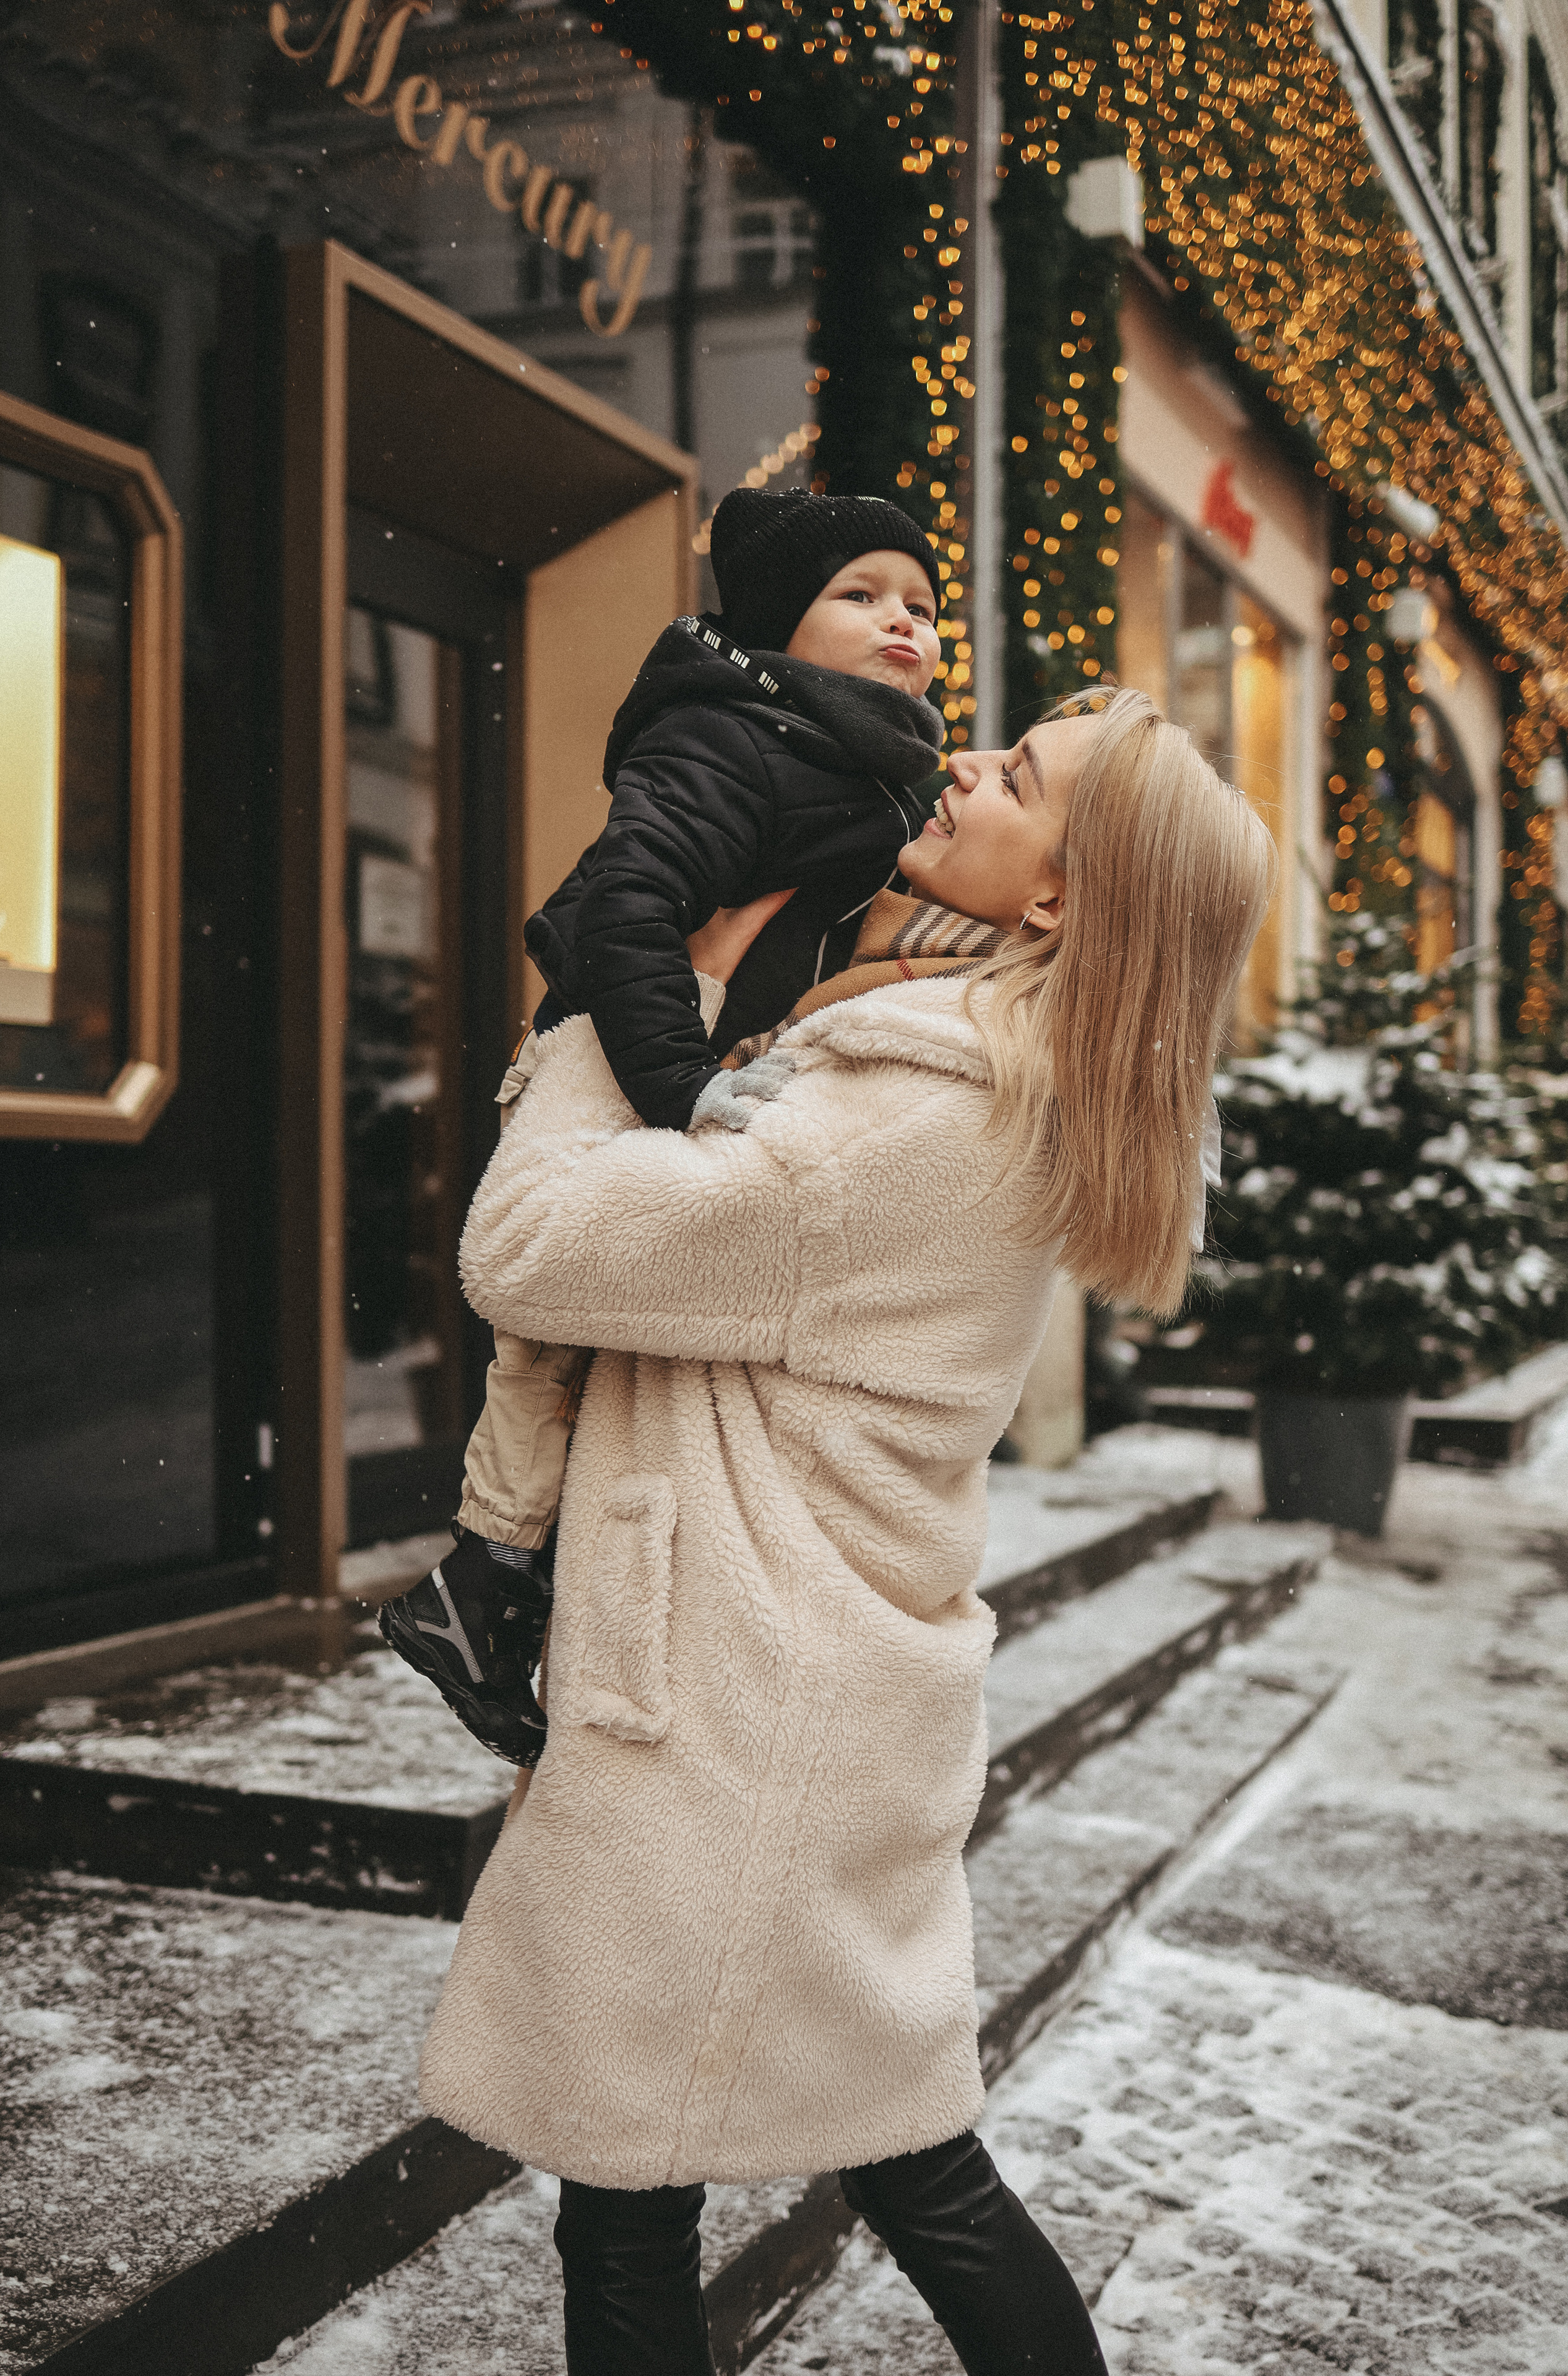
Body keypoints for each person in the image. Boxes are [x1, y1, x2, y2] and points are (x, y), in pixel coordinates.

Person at [418, 685, 1278, 2374]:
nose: (965, 765)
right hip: (787, 1681)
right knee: (885, 2156)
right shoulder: (954, 1058)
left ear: (1058, 896)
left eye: (1017, 775)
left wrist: (619, 1001)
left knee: (653, 2184)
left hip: (737, 1704)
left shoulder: (917, 1110)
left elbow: (525, 1249)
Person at [381, 488, 950, 1767]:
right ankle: (485, 1579)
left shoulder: (871, 761)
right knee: (550, 1342)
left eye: (920, 605)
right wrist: (680, 1079)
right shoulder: (730, 734)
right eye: (860, 596)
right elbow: (626, 906)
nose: (902, 623)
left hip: (706, 1058)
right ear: (778, 623)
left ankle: (497, 1593)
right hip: (621, 1051)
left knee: (603, 1352)